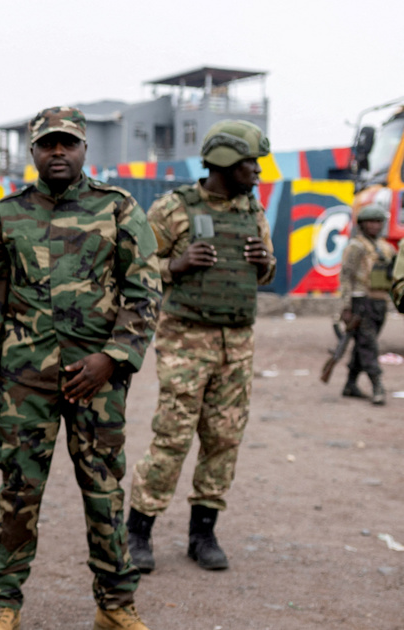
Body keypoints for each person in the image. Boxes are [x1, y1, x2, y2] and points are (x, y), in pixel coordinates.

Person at [0, 106, 161, 630]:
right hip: (23, 384)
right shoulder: (5, 217)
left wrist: (112, 357)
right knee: (18, 493)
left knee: (104, 492)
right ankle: (3, 603)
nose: (58, 152)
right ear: (32, 151)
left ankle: (115, 605)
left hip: (96, 384)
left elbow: (145, 293)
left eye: (67, 144)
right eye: (48, 144)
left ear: (83, 151)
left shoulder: (118, 209)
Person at [127, 120, 276, 575]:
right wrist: (176, 263)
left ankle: (203, 533)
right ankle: (138, 531)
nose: (258, 172)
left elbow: (264, 272)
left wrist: (264, 263)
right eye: (251, 163)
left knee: (224, 439)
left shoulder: (252, 210)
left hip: (238, 344)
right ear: (227, 161)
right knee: (172, 436)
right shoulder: (175, 208)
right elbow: (136, 264)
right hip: (186, 341)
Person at [336, 190, 395, 405]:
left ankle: (350, 384)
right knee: (369, 345)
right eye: (370, 222)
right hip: (361, 302)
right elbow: (345, 277)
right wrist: (345, 306)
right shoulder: (356, 247)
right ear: (362, 224)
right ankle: (377, 385)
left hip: (380, 302)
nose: (375, 226)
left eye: (378, 222)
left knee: (363, 345)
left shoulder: (386, 248)